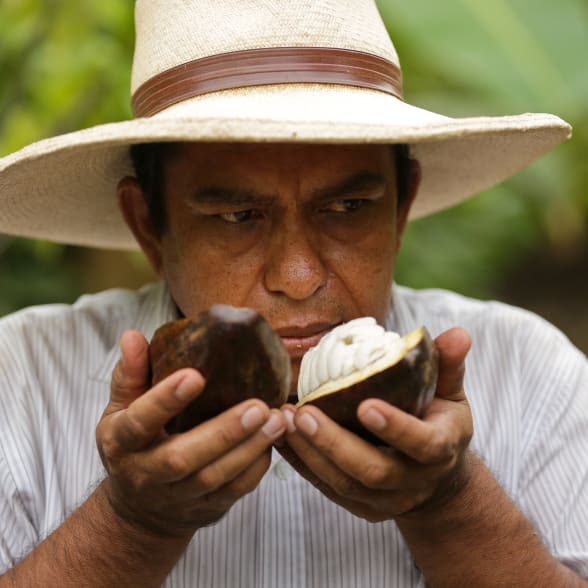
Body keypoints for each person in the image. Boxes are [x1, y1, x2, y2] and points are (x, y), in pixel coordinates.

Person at [0, 1, 586, 586]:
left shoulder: (529, 372)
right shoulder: (23, 379)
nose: (299, 275)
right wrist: (130, 525)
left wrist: (451, 505)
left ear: (401, 208)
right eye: (237, 216)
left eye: (348, 208)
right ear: (148, 225)